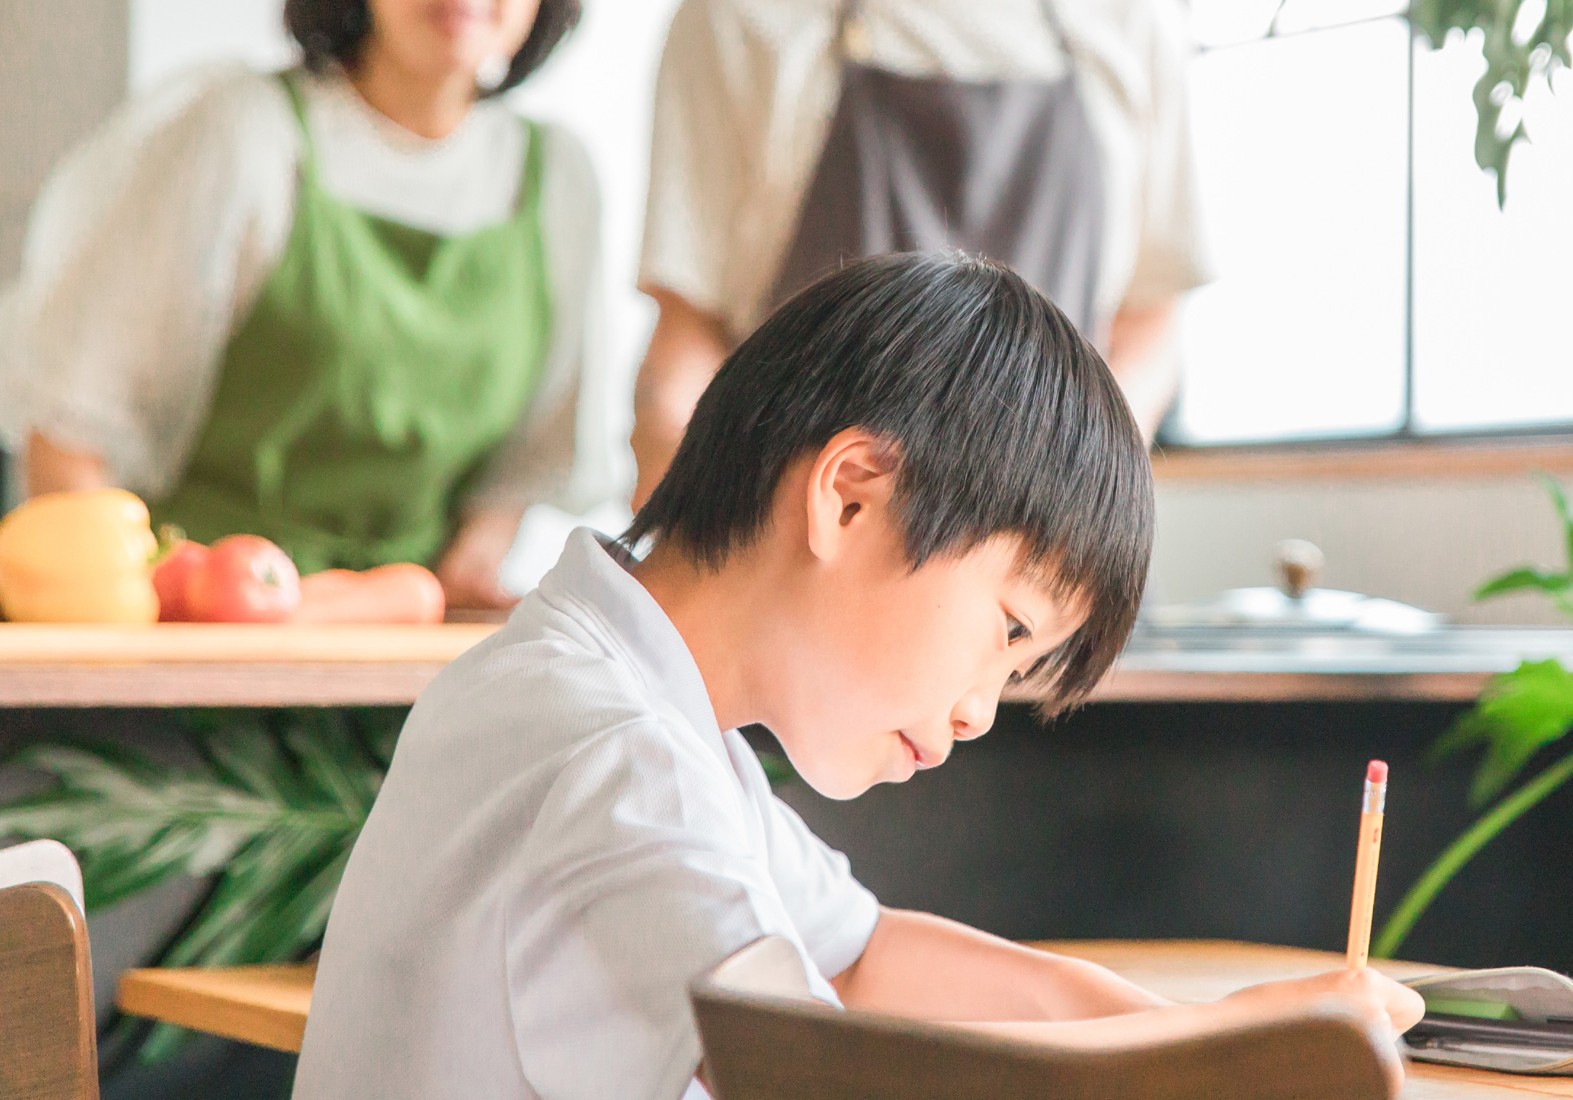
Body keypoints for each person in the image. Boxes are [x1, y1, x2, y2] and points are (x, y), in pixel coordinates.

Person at [291, 254, 1422, 1100]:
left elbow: (869, 954)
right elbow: (823, 1074)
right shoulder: (608, 754)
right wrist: (1220, 1054)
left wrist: (1221, 1022)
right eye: (1006, 628)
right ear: (849, 496)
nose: (983, 707)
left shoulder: (638, 711)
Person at [0, 0, 605, 610]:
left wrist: (464, 575)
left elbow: (526, 467)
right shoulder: (244, 133)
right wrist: (129, 617)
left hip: (401, 655)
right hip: (199, 635)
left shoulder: (558, 179)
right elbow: (69, 436)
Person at [626, 0, 1214, 508]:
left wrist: (1069, 498)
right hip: (796, 564)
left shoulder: (1133, 18)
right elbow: (686, 343)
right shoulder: (737, 16)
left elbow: (1150, 323)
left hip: (1053, 561)